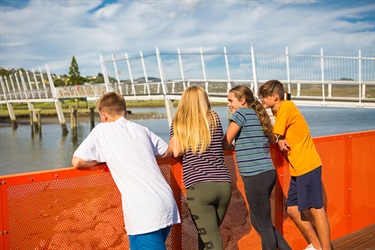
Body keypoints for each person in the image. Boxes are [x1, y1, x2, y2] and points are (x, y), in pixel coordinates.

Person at [71, 91, 180, 250]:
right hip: (165, 202)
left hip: (144, 211)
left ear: (103, 115)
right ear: (124, 111)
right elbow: (167, 152)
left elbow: (78, 161)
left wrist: (104, 159)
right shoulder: (141, 129)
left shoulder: (101, 130)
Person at [258, 80, 331, 250]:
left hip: (307, 165)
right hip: (298, 169)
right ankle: (318, 246)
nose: (261, 99)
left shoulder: (286, 107)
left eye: (264, 96)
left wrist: (273, 137)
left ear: (275, 97)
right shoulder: (280, 111)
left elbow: (271, 136)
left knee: (316, 209)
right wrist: (280, 137)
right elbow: (279, 133)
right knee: (292, 209)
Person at [222, 85, 291, 250]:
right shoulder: (258, 115)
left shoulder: (241, 114)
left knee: (265, 225)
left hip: (255, 175)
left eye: (231, 101)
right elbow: (269, 140)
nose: (229, 105)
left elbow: (225, 142)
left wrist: (233, 145)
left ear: (243, 100)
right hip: (266, 173)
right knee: (258, 222)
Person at [169, 86, 231, 250]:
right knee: (207, 237)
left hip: (199, 187)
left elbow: (176, 151)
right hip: (223, 185)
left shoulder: (179, 123)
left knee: (212, 242)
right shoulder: (214, 119)